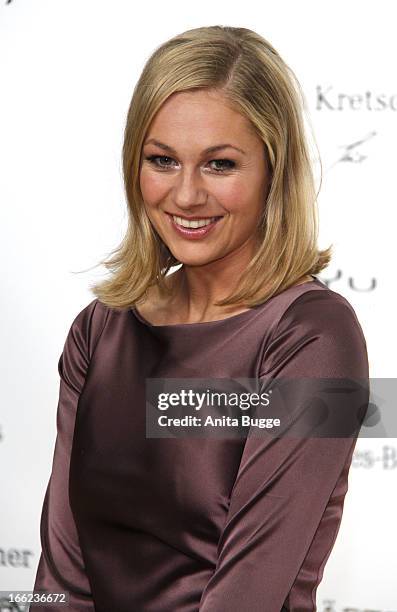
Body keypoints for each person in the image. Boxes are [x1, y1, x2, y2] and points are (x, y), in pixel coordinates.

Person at [31, 25, 369, 611]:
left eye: (219, 164)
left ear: (273, 169)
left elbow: (250, 592)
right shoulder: (98, 331)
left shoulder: (317, 337)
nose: (185, 195)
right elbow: (61, 578)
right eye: (162, 160)